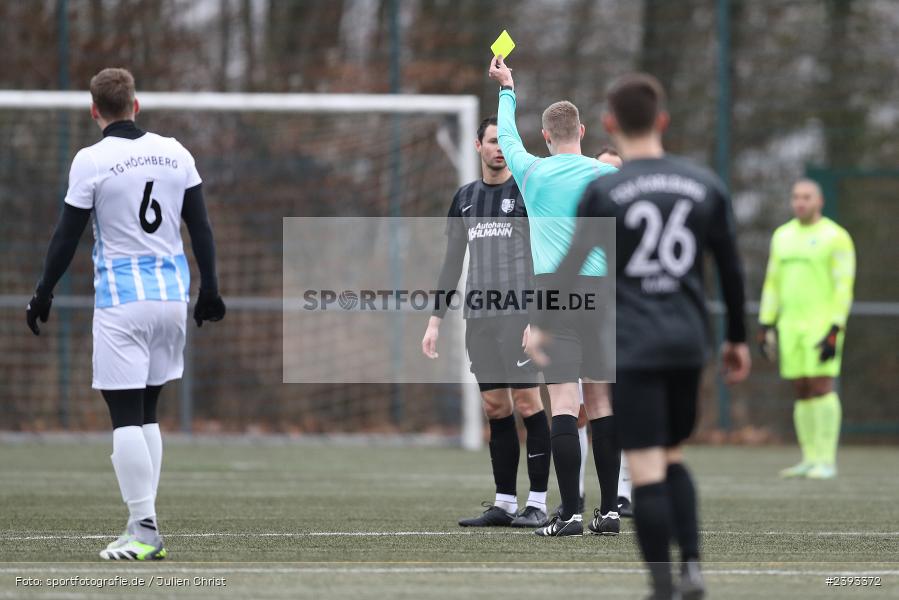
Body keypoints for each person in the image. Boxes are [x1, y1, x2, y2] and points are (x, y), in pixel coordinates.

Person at [529, 73, 750, 598]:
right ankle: (693, 568)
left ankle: (662, 585)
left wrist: (540, 320)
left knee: (649, 465)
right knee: (674, 457)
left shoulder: (606, 189)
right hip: (687, 343)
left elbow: (574, 262)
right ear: (663, 121)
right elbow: (732, 270)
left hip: (638, 343)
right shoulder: (704, 185)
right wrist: (736, 339)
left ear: (608, 124)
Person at [26, 67, 225, 560]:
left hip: (122, 302)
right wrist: (211, 290)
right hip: (171, 299)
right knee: (147, 413)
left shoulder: (91, 160)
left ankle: (145, 530)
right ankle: (143, 522)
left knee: (124, 418)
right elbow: (200, 228)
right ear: (136, 104)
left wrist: (43, 292)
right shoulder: (177, 152)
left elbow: (65, 236)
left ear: (95, 110)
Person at [488, 54, 621, 538]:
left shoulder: (534, 173)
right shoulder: (607, 177)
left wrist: (507, 88)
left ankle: (566, 514)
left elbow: (505, 139)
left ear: (546, 136)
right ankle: (608, 513)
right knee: (603, 400)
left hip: (554, 293)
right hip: (602, 293)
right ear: (582, 130)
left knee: (564, 402)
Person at [422, 116, 551, 528]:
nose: (498, 149)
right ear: (478, 145)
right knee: (496, 409)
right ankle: (504, 503)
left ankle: (538, 502)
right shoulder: (464, 199)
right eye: (492, 141)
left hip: (519, 317)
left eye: (504, 142)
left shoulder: (527, 196)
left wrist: (538, 317)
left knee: (529, 404)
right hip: (478, 318)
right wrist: (435, 319)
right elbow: (451, 262)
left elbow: (545, 259)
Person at [758, 179, 855, 480]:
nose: (800, 202)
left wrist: (835, 327)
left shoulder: (836, 236)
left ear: (819, 201)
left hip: (821, 324)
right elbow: (772, 281)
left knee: (821, 386)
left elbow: (844, 285)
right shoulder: (782, 236)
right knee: (800, 388)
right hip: (790, 325)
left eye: (806, 197)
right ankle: (809, 458)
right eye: (796, 197)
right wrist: (766, 322)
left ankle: (827, 460)